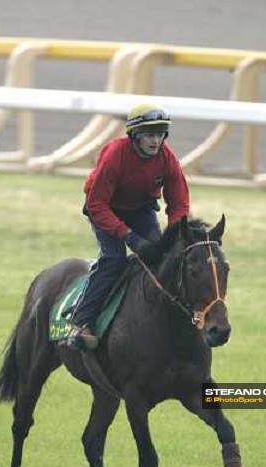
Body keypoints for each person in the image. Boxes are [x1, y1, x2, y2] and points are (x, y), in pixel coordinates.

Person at [63, 103, 191, 350]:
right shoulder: (115, 154)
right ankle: (81, 322)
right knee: (114, 259)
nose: (156, 141)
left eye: (160, 134)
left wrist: (175, 235)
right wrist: (128, 236)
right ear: (135, 135)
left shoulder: (168, 159)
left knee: (161, 258)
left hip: (141, 209)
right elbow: (97, 204)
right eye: (150, 135)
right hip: (105, 208)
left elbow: (179, 204)